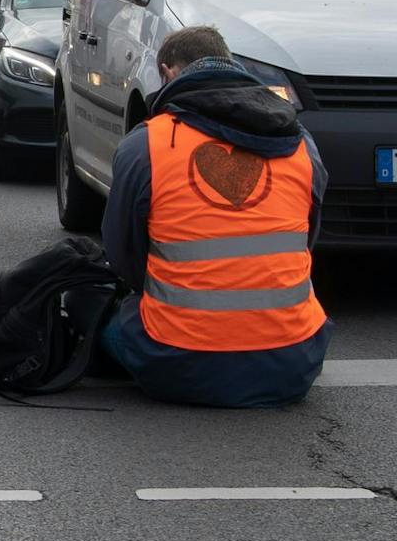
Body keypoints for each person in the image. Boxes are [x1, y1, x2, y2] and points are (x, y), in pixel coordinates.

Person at [97, 25, 331, 407]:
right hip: (293, 363)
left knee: (94, 309)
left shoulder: (146, 144)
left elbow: (123, 254)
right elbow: (306, 239)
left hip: (177, 364)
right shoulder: (300, 143)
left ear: (169, 73)